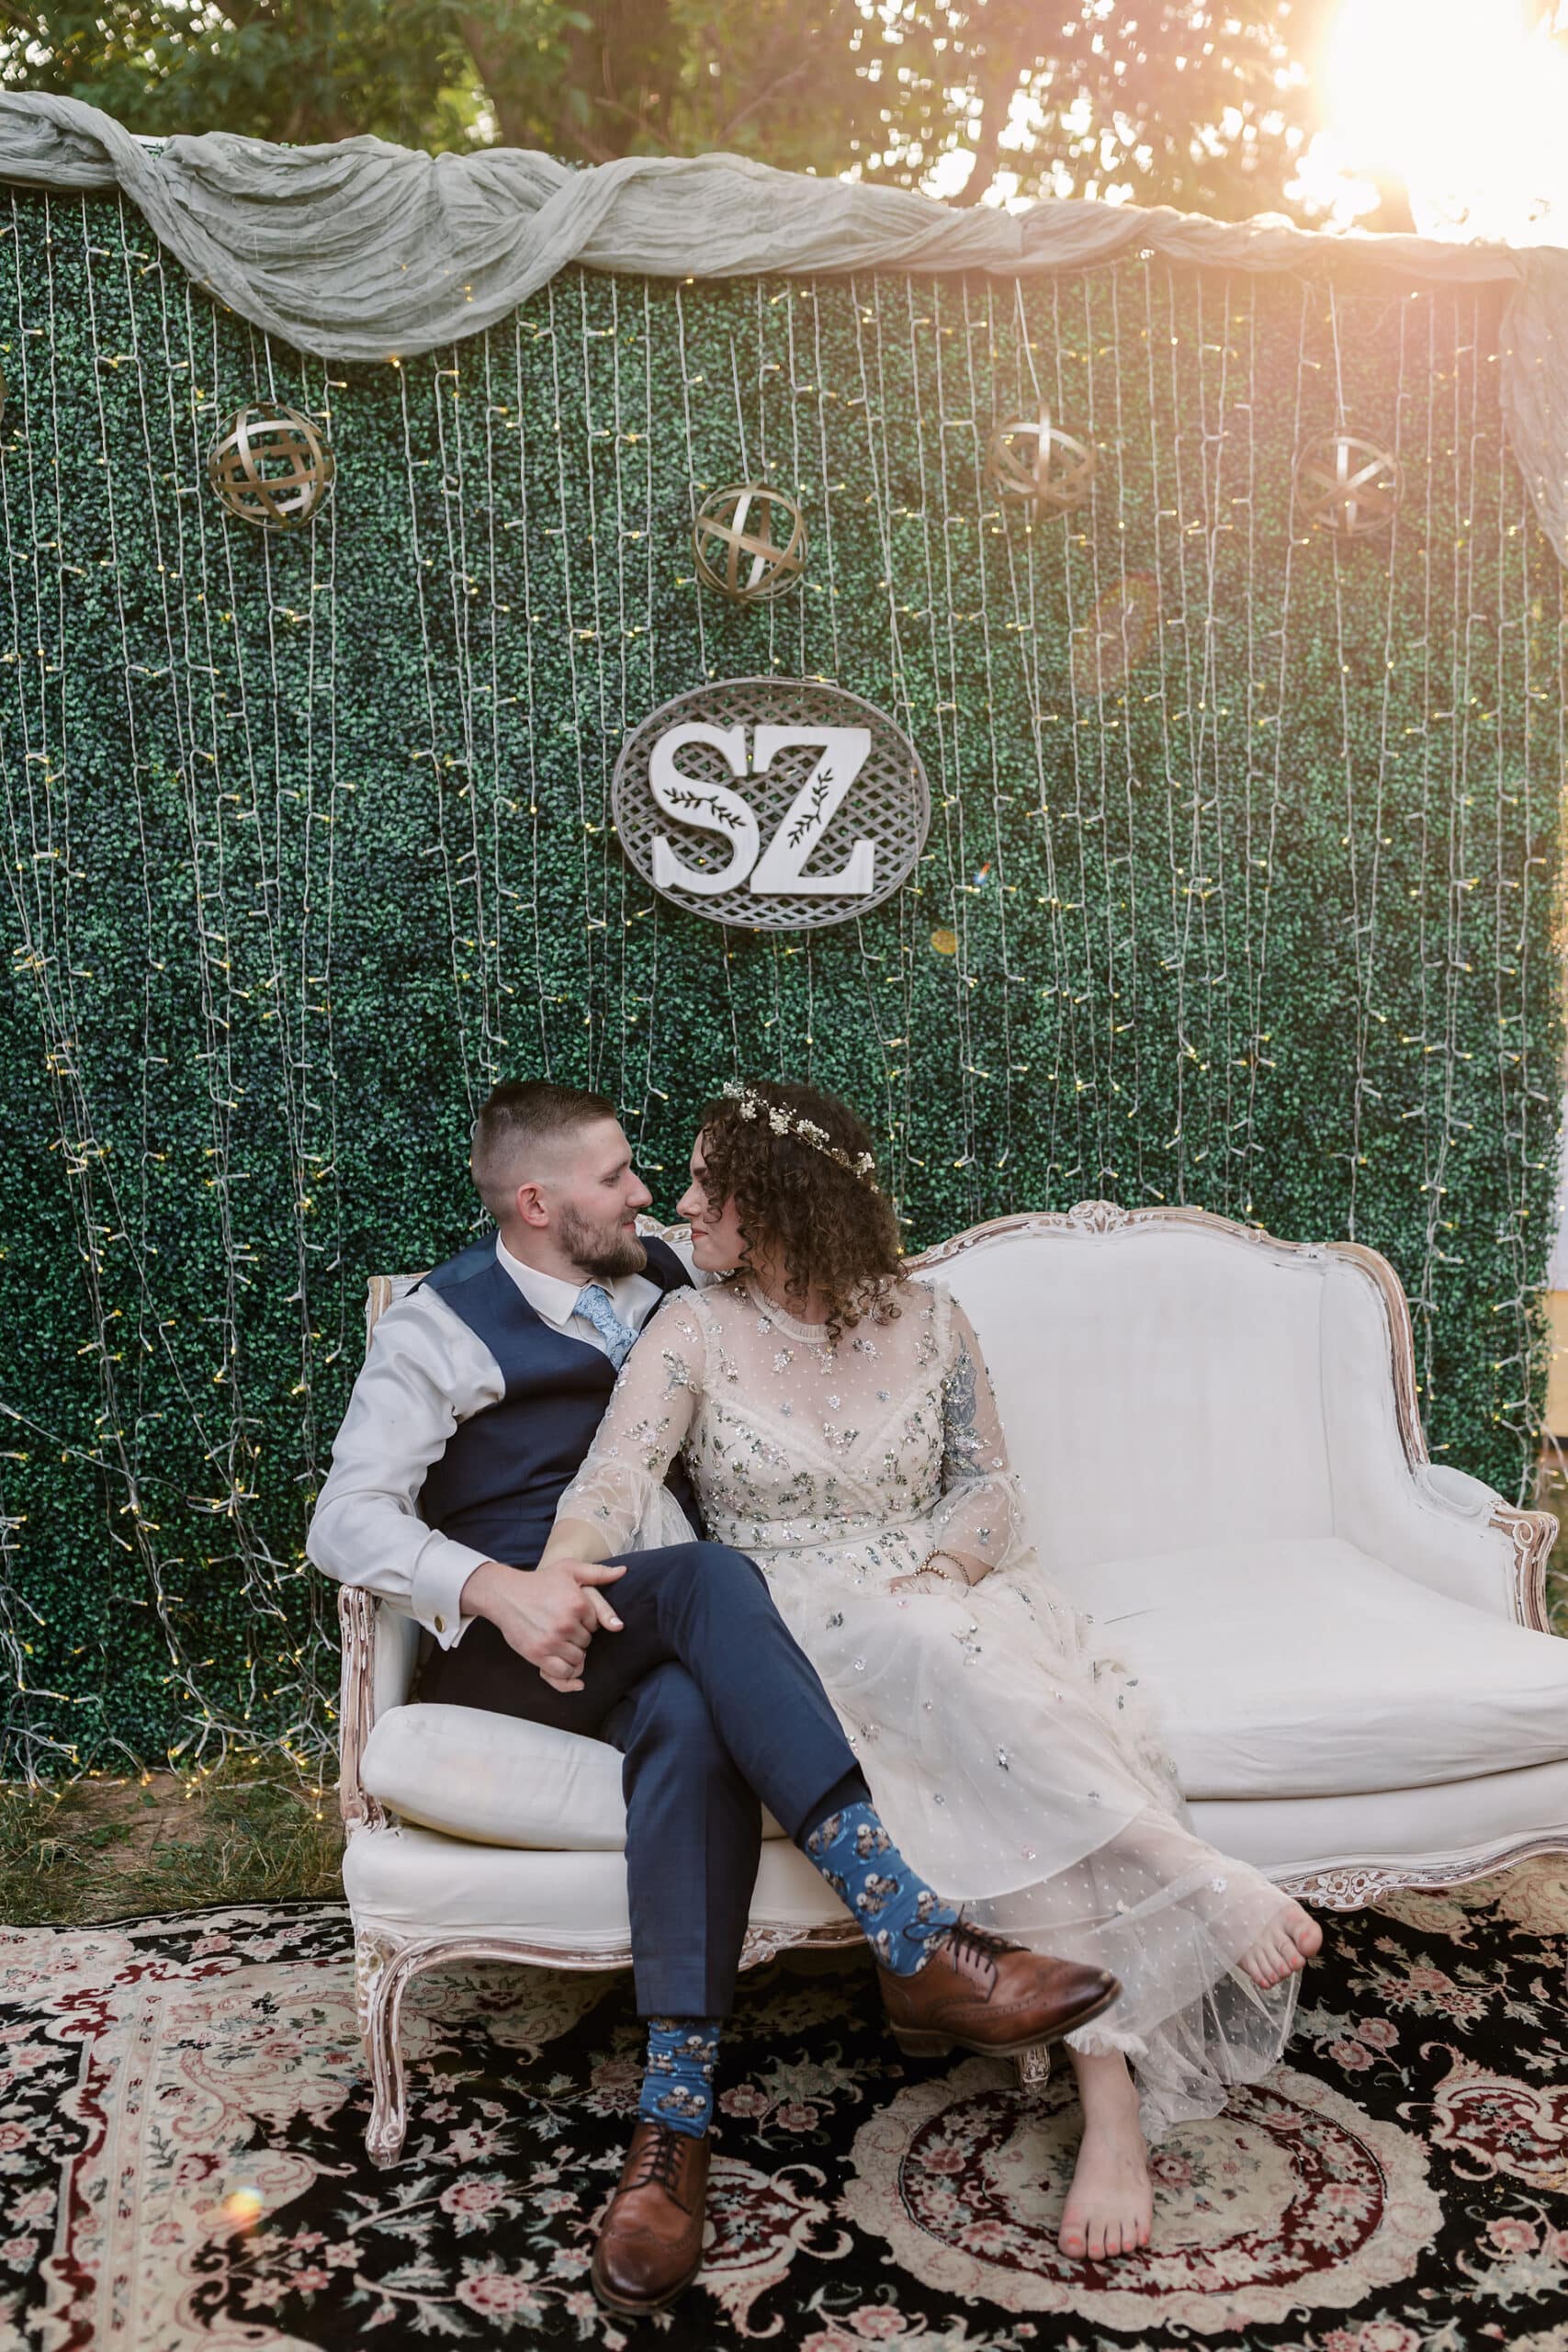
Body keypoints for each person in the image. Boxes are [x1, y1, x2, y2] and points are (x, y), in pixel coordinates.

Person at [306, 1079, 1122, 2318]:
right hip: (519, 1644)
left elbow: (790, 1266)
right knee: (713, 1585)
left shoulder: (663, 1287)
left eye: (653, 1174)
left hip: (651, 1626)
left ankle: (672, 2132)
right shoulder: (437, 1330)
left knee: (693, 1709)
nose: (649, 1198)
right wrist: (502, 1590)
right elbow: (344, 1519)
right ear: (537, 1204)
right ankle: (908, 1930)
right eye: (618, 1177)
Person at [538, 1077, 1325, 2267]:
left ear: (779, 1203)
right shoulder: (692, 1326)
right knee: (935, 1662)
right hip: (793, 1627)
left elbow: (987, 1484)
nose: (684, 1204)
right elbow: (613, 1479)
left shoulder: (933, 1318)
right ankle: (1192, 1879)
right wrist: (559, 1574)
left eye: (709, 1182)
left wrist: (951, 1567)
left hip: (945, 1602)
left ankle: (1112, 2106)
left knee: (968, 1674)